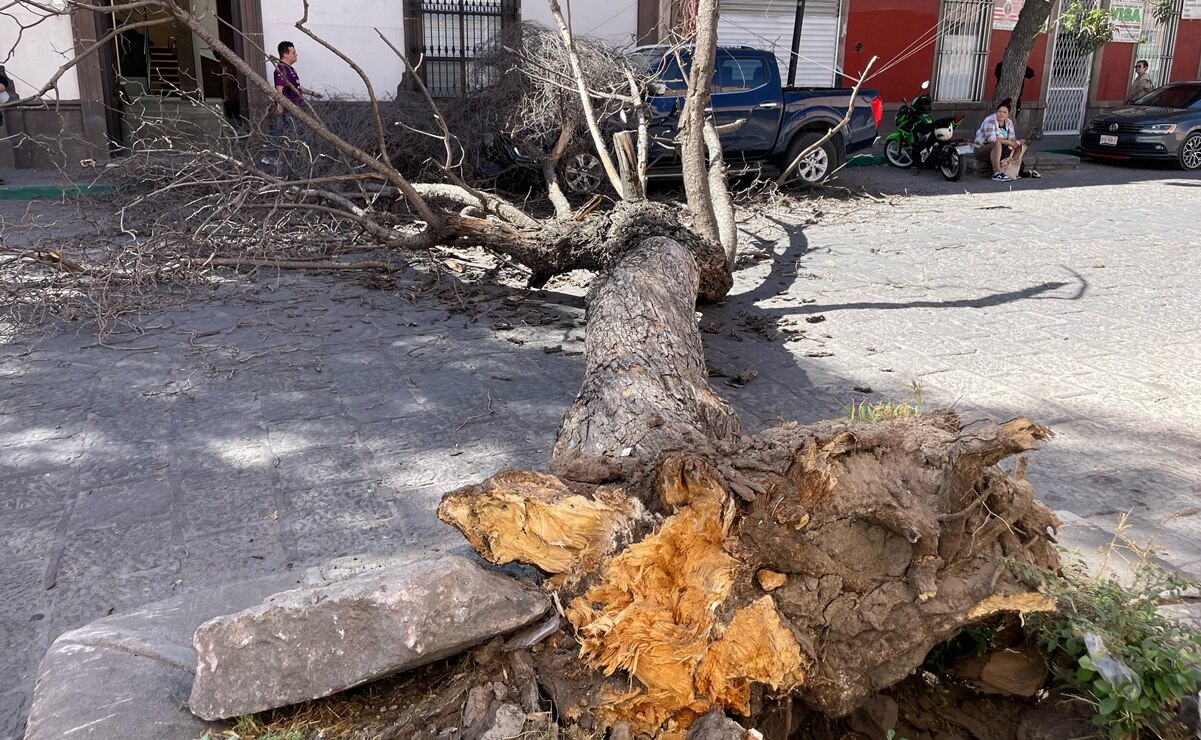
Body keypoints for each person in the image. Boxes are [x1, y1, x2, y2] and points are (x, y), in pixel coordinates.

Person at [261, 41, 323, 167]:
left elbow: (296, 87)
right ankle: (309, 158)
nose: (296, 55)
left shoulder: (290, 69)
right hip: (289, 108)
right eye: (293, 53)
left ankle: (270, 157)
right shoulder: (281, 69)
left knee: (279, 132)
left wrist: (312, 93)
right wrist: (280, 105)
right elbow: (279, 89)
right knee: (302, 131)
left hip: (294, 107)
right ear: (285, 55)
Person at [974, 99, 1027, 182]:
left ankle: (1015, 171)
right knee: (997, 142)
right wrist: (1009, 142)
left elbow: (1012, 137)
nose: (1001, 114)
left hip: (1002, 150)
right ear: (996, 112)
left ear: (1008, 114)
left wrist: (1017, 142)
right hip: (982, 149)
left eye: (1004, 112)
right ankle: (997, 173)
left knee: (1020, 146)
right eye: (999, 111)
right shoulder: (990, 120)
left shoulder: (1009, 123)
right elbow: (991, 138)